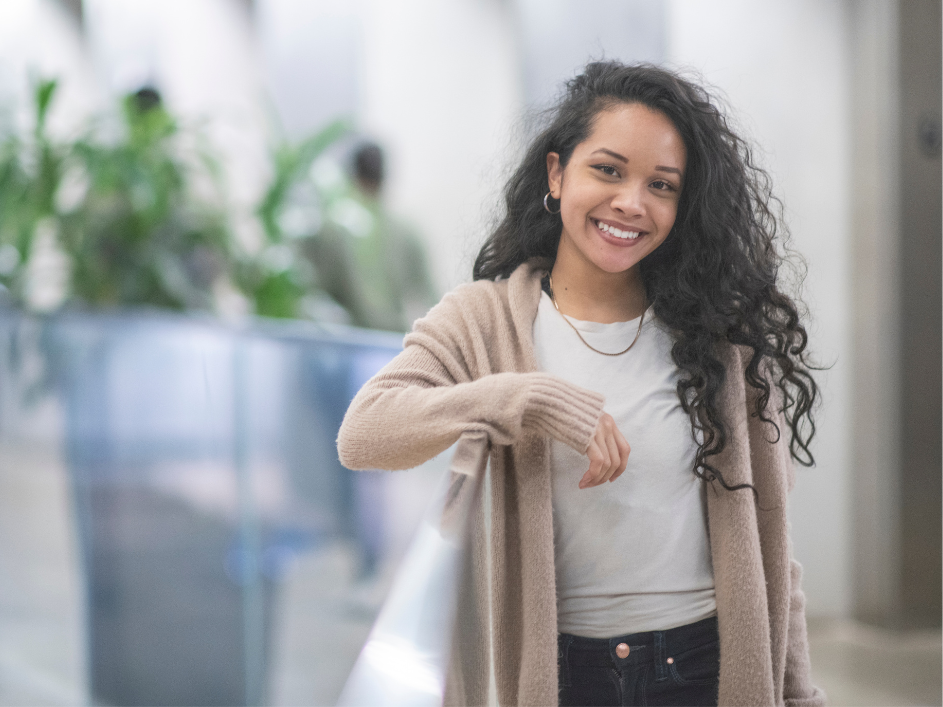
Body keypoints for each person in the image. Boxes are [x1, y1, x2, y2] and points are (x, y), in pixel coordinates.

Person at [338, 62, 825, 707]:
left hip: (705, 668)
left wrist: (798, 692)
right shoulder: (485, 321)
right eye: (608, 169)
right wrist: (522, 397)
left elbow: (774, 549)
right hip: (561, 674)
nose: (631, 202)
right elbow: (364, 435)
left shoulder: (721, 339)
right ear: (556, 173)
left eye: (662, 184)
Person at [304, 141, 438, 332]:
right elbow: (430, 297)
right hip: (393, 340)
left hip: (347, 338)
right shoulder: (407, 232)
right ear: (385, 178)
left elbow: (314, 293)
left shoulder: (330, 228)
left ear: (352, 176)